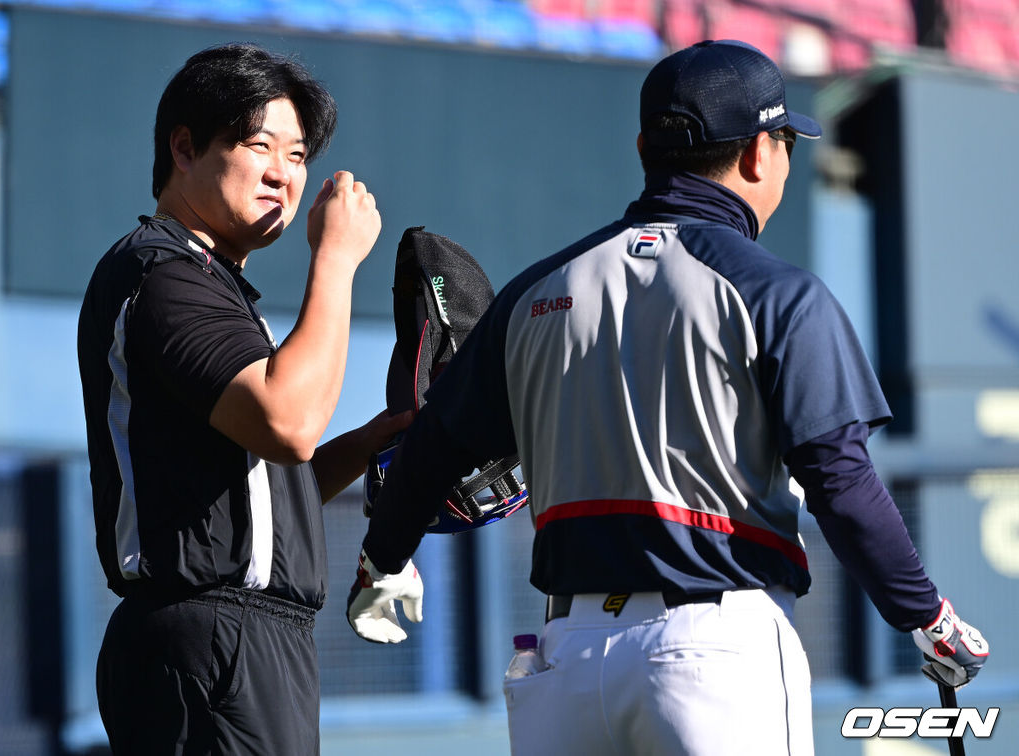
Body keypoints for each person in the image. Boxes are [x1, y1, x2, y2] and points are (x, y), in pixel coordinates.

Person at [345, 40, 989, 754]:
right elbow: (839, 480)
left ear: (646, 147)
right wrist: (925, 617)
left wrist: (384, 557)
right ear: (756, 157)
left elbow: (433, 445)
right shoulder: (777, 292)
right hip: (713, 651)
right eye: (783, 141)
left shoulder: (538, 289)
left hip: (563, 662)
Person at [77, 43, 410, 755]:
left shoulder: (209, 280)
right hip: (213, 637)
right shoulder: (163, 270)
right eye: (260, 145)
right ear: (185, 147)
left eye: (296, 156)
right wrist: (337, 257)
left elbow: (265, 496)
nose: (283, 175)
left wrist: (378, 436)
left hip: (247, 639)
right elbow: (287, 423)